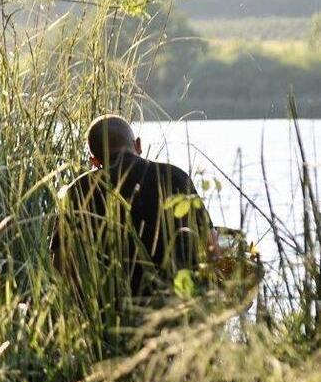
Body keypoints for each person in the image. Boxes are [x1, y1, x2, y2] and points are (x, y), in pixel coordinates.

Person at [52, 115, 215, 299]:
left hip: (110, 308)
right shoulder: (175, 176)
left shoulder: (78, 190)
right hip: (178, 301)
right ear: (138, 145)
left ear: (94, 161)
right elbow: (211, 245)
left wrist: (87, 300)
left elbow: (60, 262)